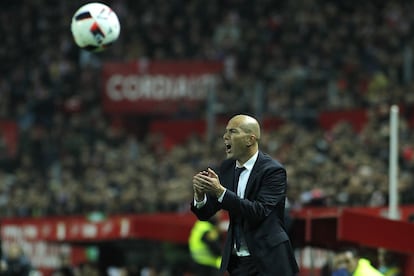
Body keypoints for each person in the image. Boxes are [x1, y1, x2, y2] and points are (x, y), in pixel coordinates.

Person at [191, 114, 299, 275]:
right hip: (239, 262)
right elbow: (206, 213)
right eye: (225, 132)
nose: (225, 136)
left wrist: (221, 191)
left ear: (250, 139)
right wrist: (200, 196)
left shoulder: (273, 171)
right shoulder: (227, 168)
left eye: (233, 131)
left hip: (269, 260)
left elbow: (259, 212)